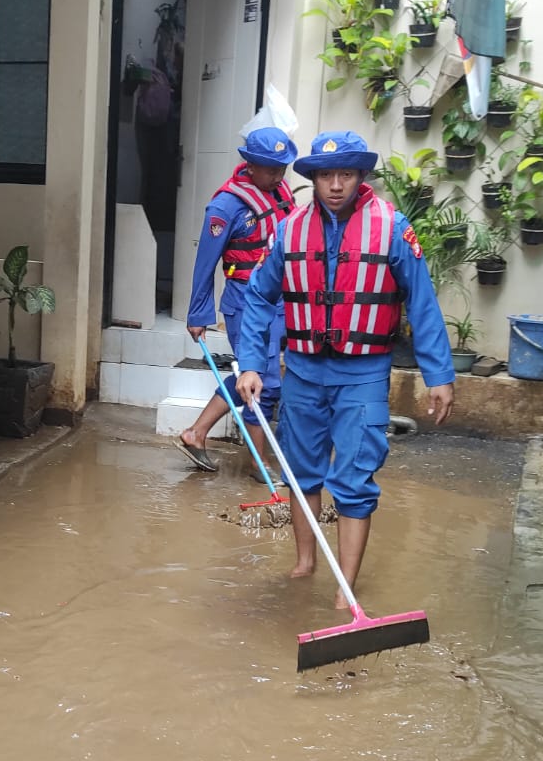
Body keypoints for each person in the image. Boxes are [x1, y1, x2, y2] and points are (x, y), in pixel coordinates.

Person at [236, 131, 455, 605]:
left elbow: (422, 302)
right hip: (303, 371)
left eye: (347, 174)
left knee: (354, 478)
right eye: (327, 175)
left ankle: (344, 585)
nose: (336, 184)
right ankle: (304, 563)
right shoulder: (291, 229)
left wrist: (439, 376)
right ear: (314, 178)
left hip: (364, 373)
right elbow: (258, 297)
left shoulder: (393, 228)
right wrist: (252, 363)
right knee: (300, 470)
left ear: (360, 177)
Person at [174, 126, 298, 474]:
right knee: (266, 383)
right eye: (270, 168)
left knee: (252, 373)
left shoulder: (281, 192)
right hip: (245, 302)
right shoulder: (225, 207)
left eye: (281, 168)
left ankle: (196, 433)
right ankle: (260, 465)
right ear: (251, 165)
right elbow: (205, 262)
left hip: (281, 301)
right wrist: (198, 313)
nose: (277, 175)